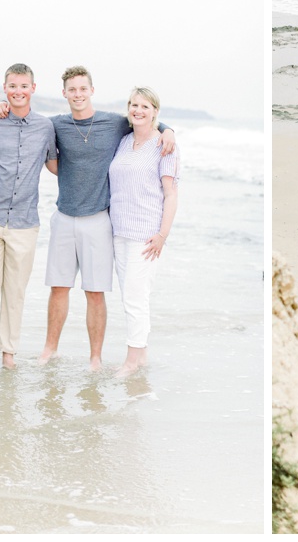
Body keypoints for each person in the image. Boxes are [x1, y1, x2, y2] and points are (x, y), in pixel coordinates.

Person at [27, 67, 175, 369]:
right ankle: (49, 349)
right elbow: (26, 122)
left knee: (95, 292)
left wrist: (169, 130)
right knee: (58, 288)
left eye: (83, 89)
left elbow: (146, 119)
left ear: (91, 90)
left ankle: (95, 358)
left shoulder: (113, 123)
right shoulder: (55, 124)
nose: (78, 94)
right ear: (65, 93)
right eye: (72, 89)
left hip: (99, 219)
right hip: (64, 215)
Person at [0, 63, 57, 369]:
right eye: (12, 86)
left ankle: (8, 353)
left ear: (33, 88)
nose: (18, 91)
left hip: (24, 221)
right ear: (4, 88)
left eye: (23, 86)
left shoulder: (46, 127)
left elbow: (58, 163)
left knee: (15, 291)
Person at [107, 87, 179, 377]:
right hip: (119, 231)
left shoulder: (165, 145)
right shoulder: (123, 142)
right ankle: (143, 356)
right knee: (131, 296)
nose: (138, 110)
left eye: (145, 106)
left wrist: (162, 235)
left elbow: (171, 195)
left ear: (155, 112)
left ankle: (131, 361)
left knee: (135, 299)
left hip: (146, 235)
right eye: (134, 105)